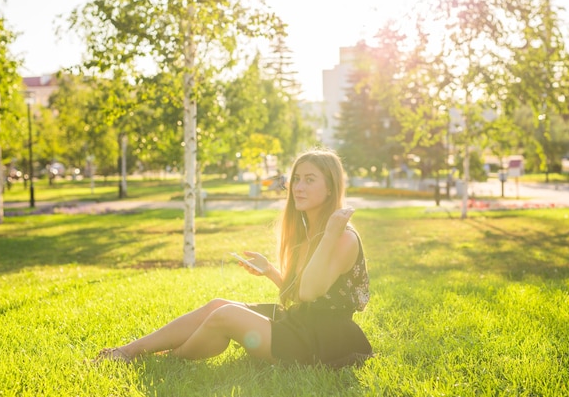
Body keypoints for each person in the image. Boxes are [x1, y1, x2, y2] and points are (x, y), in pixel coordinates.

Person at [94, 147, 372, 368]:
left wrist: (329, 235)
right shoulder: (308, 230)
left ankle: (168, 358)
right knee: (218, 305)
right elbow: (298, 296)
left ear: (331, 188)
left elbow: (311, 293)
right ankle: (128, 351)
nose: (298, 187)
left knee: (226, 316)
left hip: (321, 343)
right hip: (298, 324)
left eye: (309, 180)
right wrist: (271, 272)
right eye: (296, 179)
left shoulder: (342, 237)